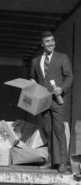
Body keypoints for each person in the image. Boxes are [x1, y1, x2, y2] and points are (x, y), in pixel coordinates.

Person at [30, 31, 73, 173]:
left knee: (59, 130)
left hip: (57, 100)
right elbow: (33, 79)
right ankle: (51, 161)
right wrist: (34, 87)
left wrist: (62, 88)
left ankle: (61, 163)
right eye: (47, 41)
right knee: (48, 130)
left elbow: (69, 77)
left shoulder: (62, 57)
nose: (51, 43)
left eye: (52, 40)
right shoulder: (36, 61)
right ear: (42, 44)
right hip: (44, 101)